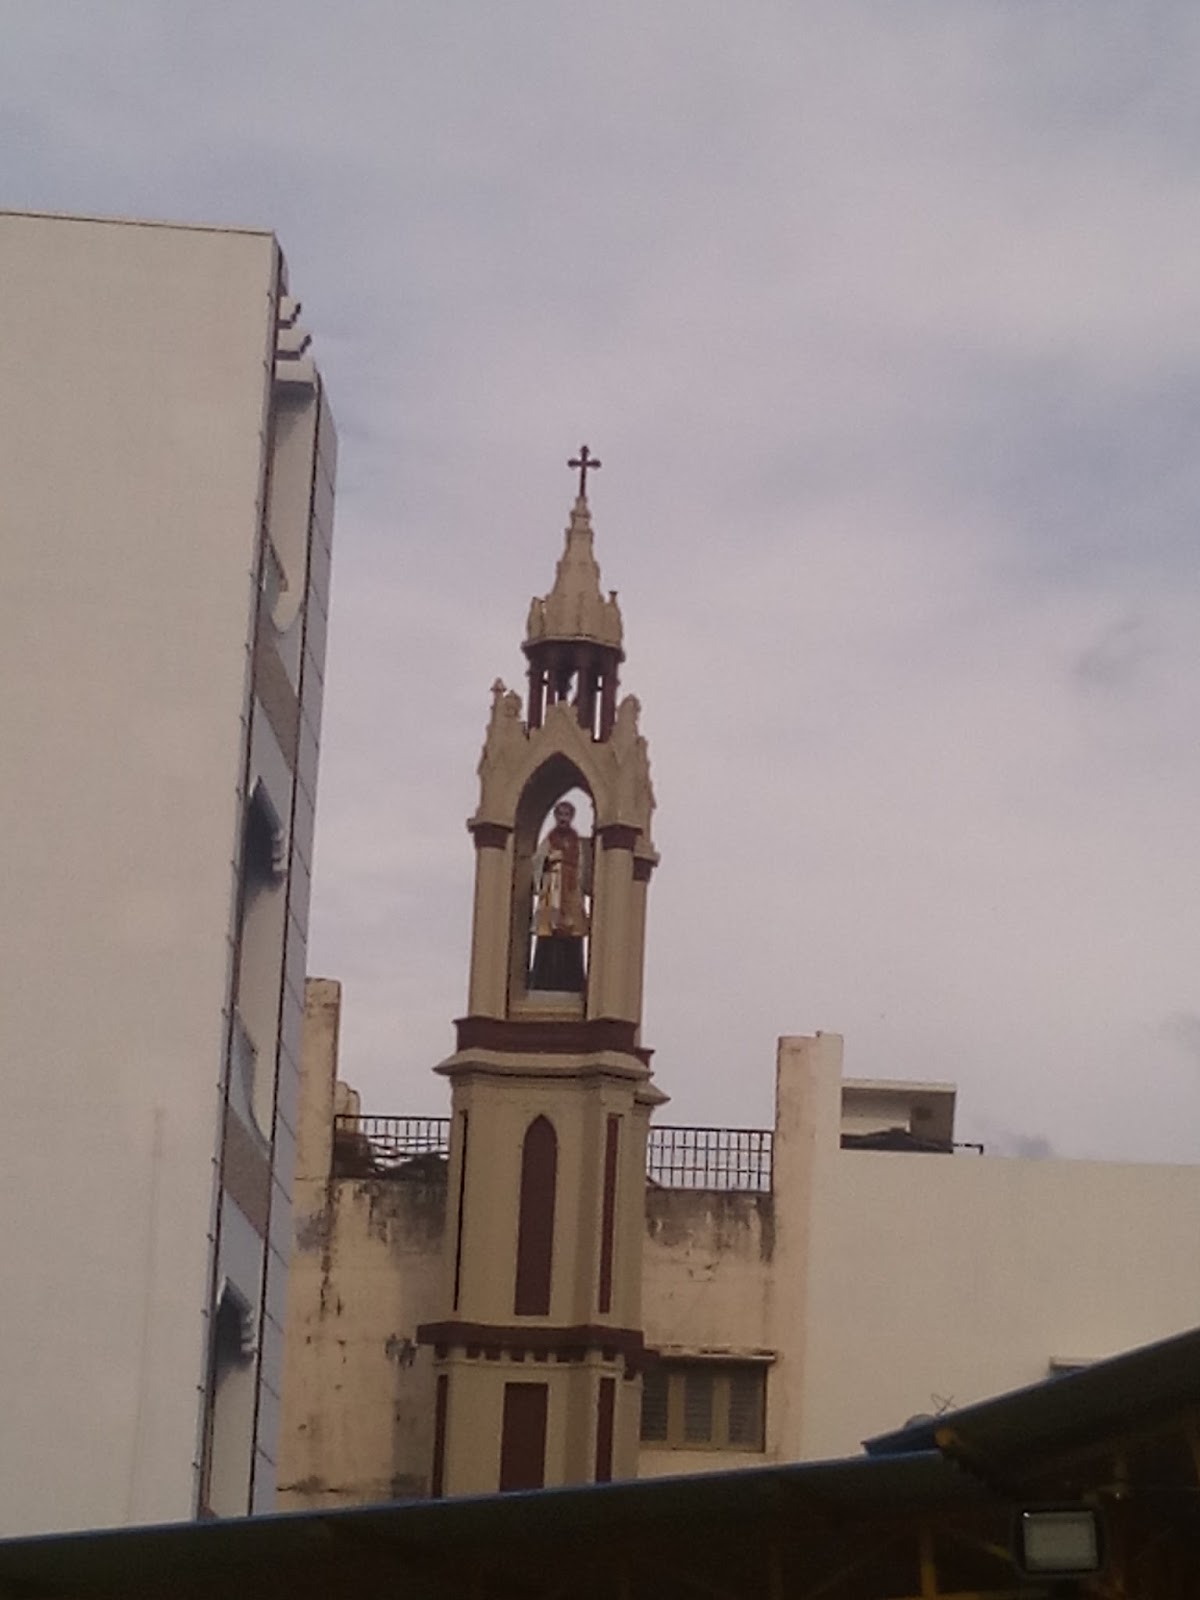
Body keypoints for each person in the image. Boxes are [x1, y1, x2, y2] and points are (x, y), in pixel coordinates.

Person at [529, 799, 590, 992]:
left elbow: (582, 867)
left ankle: (572, 981)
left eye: (567, 815)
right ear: (556, 817)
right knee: (549, 933)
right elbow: (537, 861)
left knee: (572, 931)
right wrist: (550, 860)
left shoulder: (576, 842)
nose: (563, 819)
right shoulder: (549, 840)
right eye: (560, 815)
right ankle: (545, 979)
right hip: (552, 889)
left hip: (571, 892)